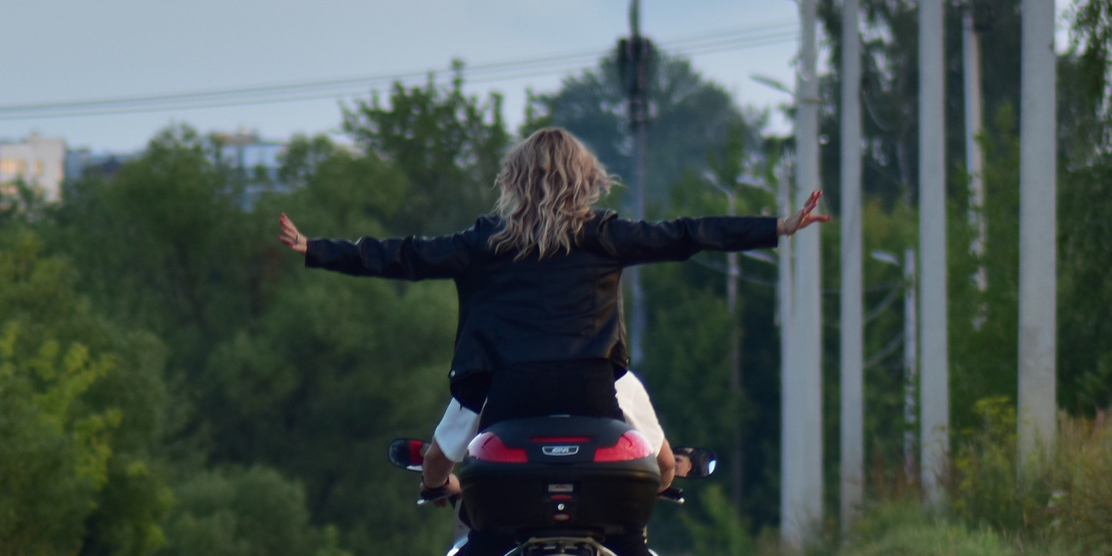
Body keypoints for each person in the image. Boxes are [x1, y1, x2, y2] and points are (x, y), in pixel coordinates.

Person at [276, 125, 825, 499]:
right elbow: (685, 235)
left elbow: (404, 255)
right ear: (587, 180)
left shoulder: (483, 243)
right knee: (650, 479)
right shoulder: (604, 235)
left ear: (513, 182)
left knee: (481, 514)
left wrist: (318, 249)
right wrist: (775, 226)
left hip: (506, 402)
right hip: (594, 396)